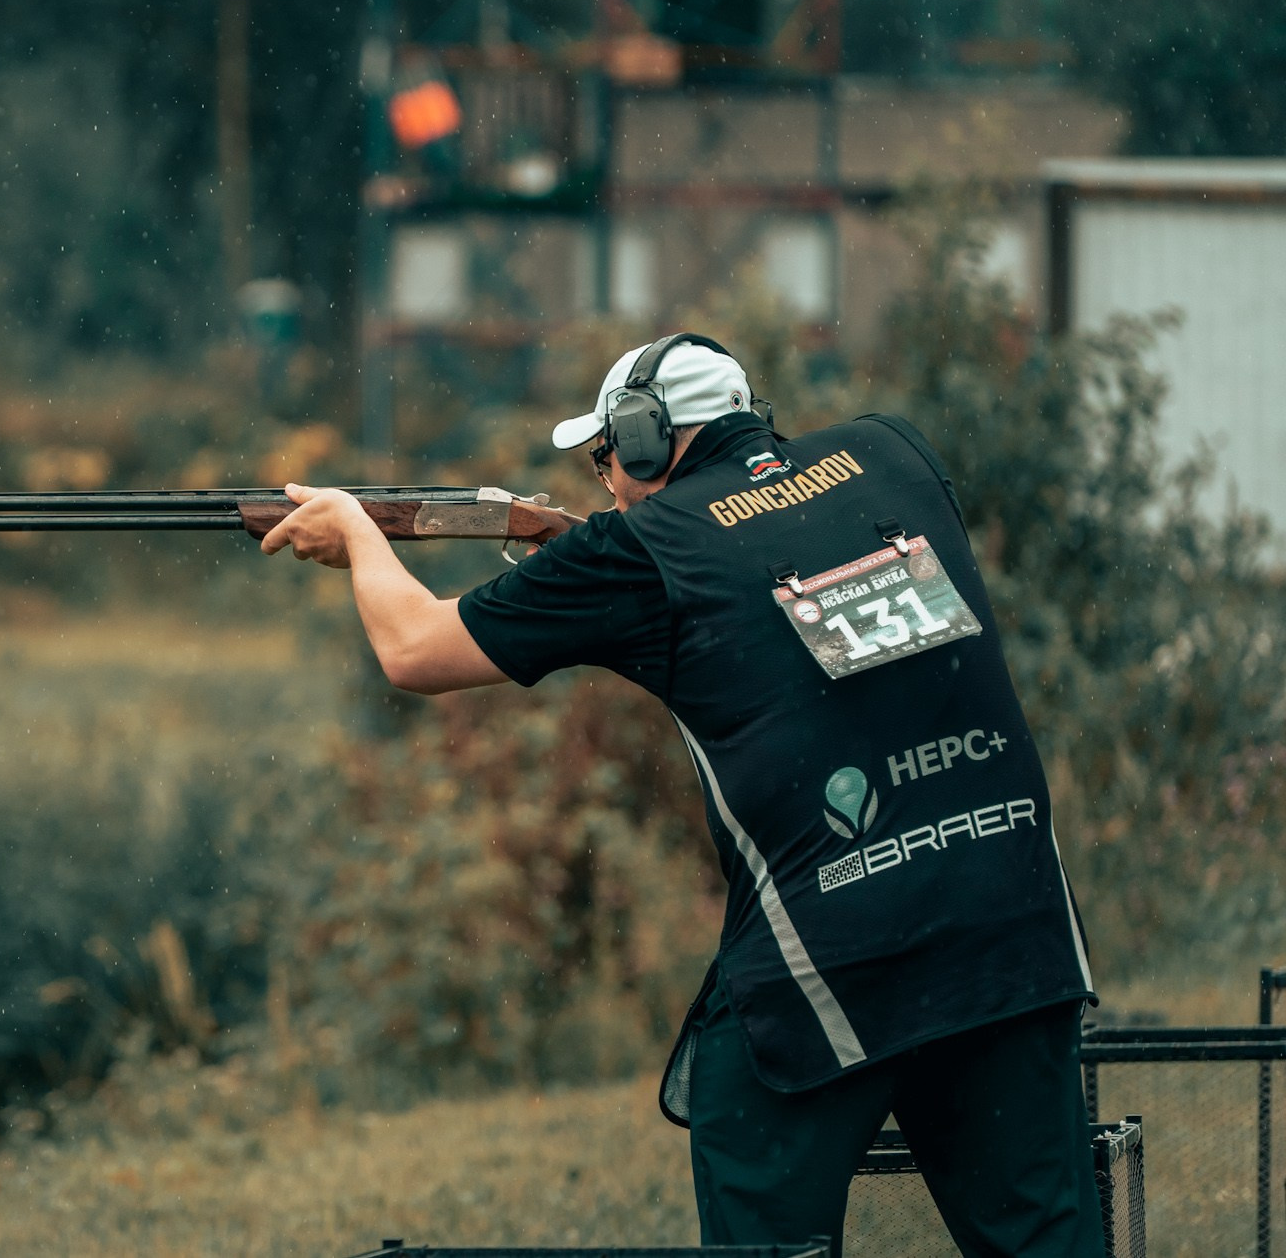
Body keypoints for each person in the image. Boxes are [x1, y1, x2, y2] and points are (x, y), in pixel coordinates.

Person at [261, 333, 1101, 1257]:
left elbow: (414, 649)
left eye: (607, 456)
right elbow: (772, 560)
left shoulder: (641, 547)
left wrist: (356, 531)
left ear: (647, 438)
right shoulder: (890, 453)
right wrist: (578, 552)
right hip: (1009, 920)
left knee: (753, 1184)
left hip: (832, 959)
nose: (607, 480)